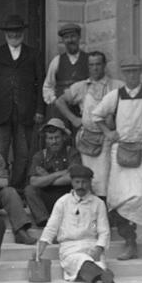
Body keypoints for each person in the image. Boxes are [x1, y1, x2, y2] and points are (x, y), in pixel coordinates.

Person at [91, 55, 142, 261]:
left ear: (140, 72)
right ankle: (130, 242)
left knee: (140, 196)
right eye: (127, 71)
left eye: (135, 71)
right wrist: (109, 133)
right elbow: (96, 115)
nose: (131, 75)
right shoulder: (115, 95)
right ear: (123, 74)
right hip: (120, 152)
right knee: (117, 199)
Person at [0, 14, 46, 190]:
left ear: (22, 32)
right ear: (5, 33)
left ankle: (17, 189)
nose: (14, 35)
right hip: (0, 112)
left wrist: (40, 109)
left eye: (17, 31)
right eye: (10, 32)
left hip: (26, 112)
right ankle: (0, 188)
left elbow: (41, 84)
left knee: (23, 153)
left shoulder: (34, 54)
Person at [35, 164, 117, 283]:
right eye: (77, 182)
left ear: (90, 182)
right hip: (70, 247)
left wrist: (99, 248)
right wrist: (40, 248)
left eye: (84, 182)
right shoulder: (63, 202)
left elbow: (104, 230)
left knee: (95, 262)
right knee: (81, 261)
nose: (81, 186)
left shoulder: (98, 203)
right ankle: (106, 282)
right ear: (72, 182)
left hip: (92, 246)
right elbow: (51, 226)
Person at [54, 51, 123, 199]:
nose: (95, 68)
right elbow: (59, 102)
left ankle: (105, 213)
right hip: (88, 140)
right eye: (91, 65)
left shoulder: (116, 86)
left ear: (104, 65)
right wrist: (73, 119)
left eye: (98, 64)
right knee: (88, 178)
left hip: (108, 139)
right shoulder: (81, 87)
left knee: (105, 179)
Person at [24, 118, 81, 227]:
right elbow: (34, 181)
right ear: (46, 140)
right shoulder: (40, 156)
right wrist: (58, 174)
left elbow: (73, 177)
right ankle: (46, 222)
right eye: (50, 138)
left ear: (64, 137)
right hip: (47, 198)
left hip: (66, 197)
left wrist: (46, 178)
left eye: (57, 137)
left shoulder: (72, 153)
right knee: (29, 190)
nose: (54, 141)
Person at [42, 23, 89, 126]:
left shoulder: (88, 60)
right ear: (63, 41)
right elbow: (48, 86)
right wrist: (55, 101)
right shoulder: (57, 60)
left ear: (79, 37)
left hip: (82, 109)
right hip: (60, 111)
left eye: (73, 36)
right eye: (66, 37)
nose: (70, 40)